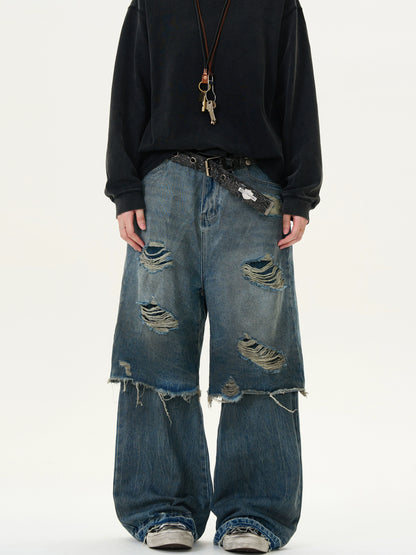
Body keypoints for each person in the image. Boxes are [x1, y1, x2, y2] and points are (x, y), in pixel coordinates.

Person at [104, 0, 322, 552]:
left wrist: (301, 191)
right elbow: (129, 91)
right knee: (157, 340)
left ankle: (255, 511)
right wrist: (124, 188)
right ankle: (161, 504)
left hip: (255, 190)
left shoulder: (277, 5)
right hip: (163, 188)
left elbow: (298, 95)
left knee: (258, 346)